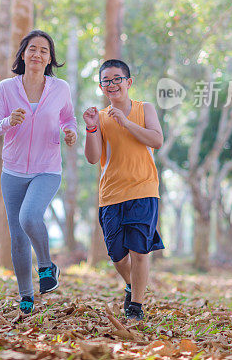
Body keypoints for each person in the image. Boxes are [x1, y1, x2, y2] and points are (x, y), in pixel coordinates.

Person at [0, 30, 78, 314]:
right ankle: (26, 295)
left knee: (29, 216)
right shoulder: (5, 88)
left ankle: (47, 266)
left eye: (44, 51)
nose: (38, 54)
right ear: (23, 53)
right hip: (12, 170)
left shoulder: (60, 88)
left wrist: (71, 131)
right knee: (17, 236)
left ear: (50, 59)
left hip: (47, 168)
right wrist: (7, 121)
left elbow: (68, 117)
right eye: (33, 49)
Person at [83, 59, 164, 321]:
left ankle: (136, 306)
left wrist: (126, 122)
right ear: (101, 86)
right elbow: (93, 158)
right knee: (118, 256)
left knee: (140, 252)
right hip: (111, 194)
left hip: (144, 189)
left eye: (117, 79)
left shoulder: (145, 109)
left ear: (128, 82)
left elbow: (156, 140)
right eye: (106, 80)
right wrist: (91, 127)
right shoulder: (101, 117)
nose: (112, 84)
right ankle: (132, 284)